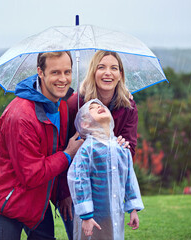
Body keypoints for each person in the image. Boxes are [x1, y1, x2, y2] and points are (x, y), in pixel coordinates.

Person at [0, 51, 84, 240]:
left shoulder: (61, 105)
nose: (63, 79)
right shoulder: (21, 116)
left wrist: (63, 192)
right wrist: (68, 154)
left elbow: (56, 149)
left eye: (67, 72)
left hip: (38, 199)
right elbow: (32, 174)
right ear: (40, 72)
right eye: (55, 73)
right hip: (8, 200)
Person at [58, 50, 139, 239]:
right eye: (101, 67)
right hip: (78, 186)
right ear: (93, 72)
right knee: (82, 234)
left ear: (120, 75)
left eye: (114, 68)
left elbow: (129, 151)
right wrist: (64, 192)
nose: (108, 73)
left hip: (108, 187)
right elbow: (63, 148)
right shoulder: (76, 104)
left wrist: (122, 146)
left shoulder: (128, 106)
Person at [67, 99, 144, 240]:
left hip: (115, 212)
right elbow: (78, 180)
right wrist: (86, 214)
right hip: (92, 217)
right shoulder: (87, 150)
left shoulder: (122, 148)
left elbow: (129, 179)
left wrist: (133, 209)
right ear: (85, 123)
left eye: (100, 106)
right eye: (93, 109)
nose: (99, 107)